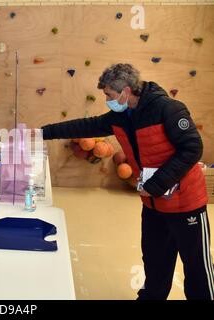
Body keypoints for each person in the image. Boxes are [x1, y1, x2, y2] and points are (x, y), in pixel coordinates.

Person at [39, 63, 213, 300]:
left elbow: (192, 148)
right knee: (154, 260)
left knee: (197, 267)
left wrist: (156, 184)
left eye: (109, 95)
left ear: (126, 91)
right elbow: (84, 126)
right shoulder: (121, 116)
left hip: (186, 203)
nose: (108, 100)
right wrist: (41, 132)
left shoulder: (168, 109)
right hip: (153, 205)